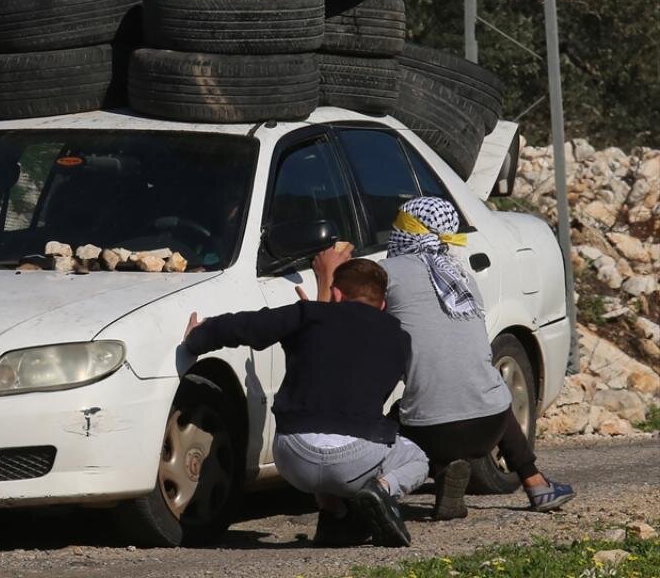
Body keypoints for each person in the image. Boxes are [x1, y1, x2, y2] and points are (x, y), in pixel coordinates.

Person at [309, 197, 575, 520]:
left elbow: (337, 332)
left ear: (403, 233)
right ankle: (534, 482)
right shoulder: (460, 277)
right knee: (483, 385)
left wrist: (331, 277)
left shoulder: (382, 276)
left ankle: (381, 490)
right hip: (491, 427)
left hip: (431, 431)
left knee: (395, 420)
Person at [183, 259, 427, 547]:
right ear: (383, 304)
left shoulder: (309, 315)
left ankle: (334, 517)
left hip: (293, 455)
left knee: (319, 423)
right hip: (355, 459)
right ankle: (382, 490)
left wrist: (198, 337)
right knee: (418, 459)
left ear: (335, 294)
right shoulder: (400, 339)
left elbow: (249, 325)